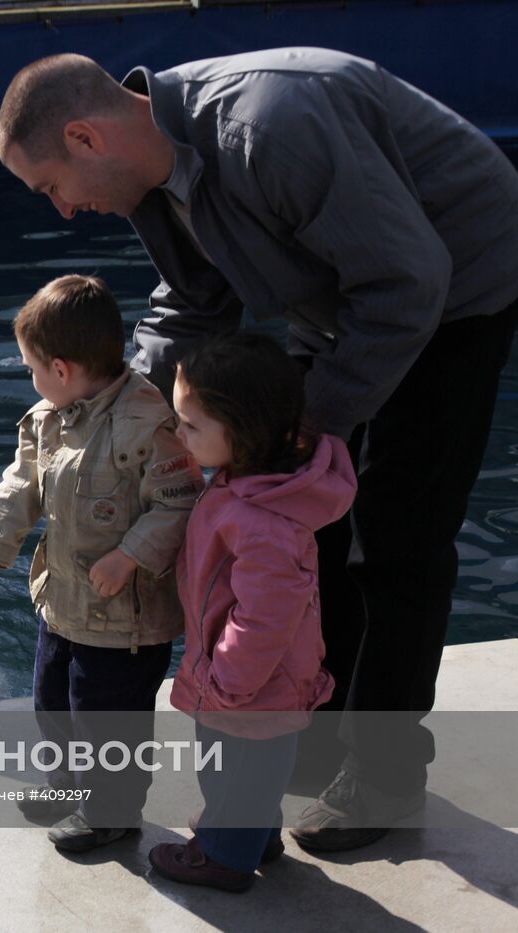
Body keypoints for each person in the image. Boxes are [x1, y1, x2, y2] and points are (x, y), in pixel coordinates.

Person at [0, 47, 518, 852]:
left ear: (85, 138)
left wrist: (310, 430)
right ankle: (315, 724)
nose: (62, 210)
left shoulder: (267, 129)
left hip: (456, 289)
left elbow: (410, 282)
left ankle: (384, 773)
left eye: (50, 187)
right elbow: (197, 297)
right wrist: (117, 410)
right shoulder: (152, 177)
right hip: (346, 293)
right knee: (305, 521)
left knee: (397, 534)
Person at [0, 274, 202, 852]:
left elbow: (181, 503)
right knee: (54, 702)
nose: (32, 379)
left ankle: (110, 813)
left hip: (124, 622)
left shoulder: (148, 422)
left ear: (61, 369)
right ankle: (68, 786)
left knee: (108, 722)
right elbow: (21, 487)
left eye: (31, 367)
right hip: (63, 603)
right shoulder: (48, 417)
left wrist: (128, 556)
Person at [149, 333, 356, 891]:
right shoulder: (251, 486)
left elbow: (266, 615)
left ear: (240, 434)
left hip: (250, 678)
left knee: (235, 764)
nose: (177, 433)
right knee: (249, 770)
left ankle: (223, 858)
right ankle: (251, 832)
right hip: (258, 675)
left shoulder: (263, 523)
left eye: (189, 425)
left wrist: (229, 679)